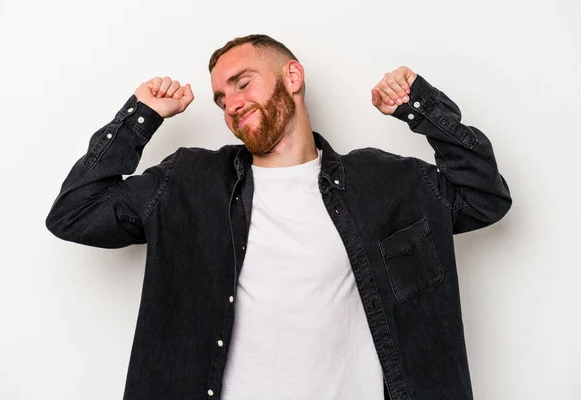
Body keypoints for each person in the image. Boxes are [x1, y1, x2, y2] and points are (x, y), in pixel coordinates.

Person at [46, 34, 512, 400]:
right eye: (220, 98)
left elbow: (484, 196)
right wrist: (140, 116)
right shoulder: (187, 182)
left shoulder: (386, 183)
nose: (231, 104)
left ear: (292, 76)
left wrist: (422, 109)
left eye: (243, 83)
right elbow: (74, 214)